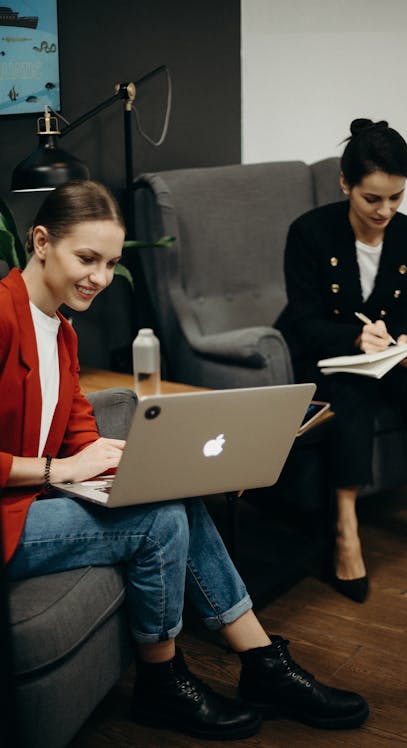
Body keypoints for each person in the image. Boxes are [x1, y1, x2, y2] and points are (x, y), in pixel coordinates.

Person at [1, 179, 369, 740]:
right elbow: (65, 460)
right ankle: (163, 681)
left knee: (173, 495)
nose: (100, 278)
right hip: (11, 513)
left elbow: (80, 433)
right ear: (42, 241)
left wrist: (163, 466)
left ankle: (262, 663)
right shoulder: (2, 316)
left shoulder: (62, 333)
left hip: (35, 502)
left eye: (111, 263)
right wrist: (56, 471)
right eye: (87, 258)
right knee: (159, 519)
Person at [275, 118, 407, 604]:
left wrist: (401, 344)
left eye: (396, 197)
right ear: (345, 184)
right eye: (372, 198)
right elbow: (304, 320)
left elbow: (405, 315)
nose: (385, 210)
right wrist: (355, 338)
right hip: (322, 354)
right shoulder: (309, 232)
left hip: (381, 354)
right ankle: (346, 527)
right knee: (350, 389)